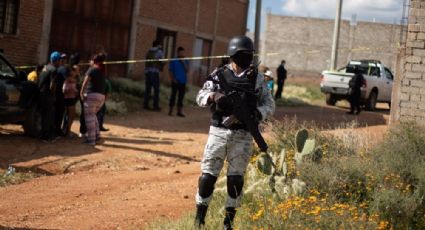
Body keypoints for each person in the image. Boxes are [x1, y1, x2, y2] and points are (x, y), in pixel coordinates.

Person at [194, 35, 275, 229]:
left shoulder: (257, 79)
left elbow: (269, 104)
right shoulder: (218, 74)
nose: (247, 58)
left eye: (250, 55)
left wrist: (257, 113)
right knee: (207, 176)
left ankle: (228, 223)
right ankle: (199, 219)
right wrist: (214, 96)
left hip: (243, 135)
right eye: (243, 54)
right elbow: (199, 96)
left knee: (236, 179)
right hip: (218, 132)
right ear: (233, 55)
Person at [80, 53, 106, 145]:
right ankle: (97, 135)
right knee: (93, 116)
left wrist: (81, 92)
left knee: (89, 118)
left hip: (91, 96)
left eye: (90, 60)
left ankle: (91, 140)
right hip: (101, 97)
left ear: (93, 61)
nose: (89, 62)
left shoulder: (92, 69)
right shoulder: (102, 70)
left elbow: (85, 82)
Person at [38, 51, 61, 143]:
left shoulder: (45, 67)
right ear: (56, 60)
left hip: (40, 94)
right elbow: (52, 85)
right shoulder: (53, 70)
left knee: (44, 115)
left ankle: (43, 134)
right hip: (48, 95)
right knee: (48, 116)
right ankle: (46, 137)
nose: (60, 62)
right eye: (59, 60)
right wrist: (54, 95)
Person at [168, 46, 189, 117]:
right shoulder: (174, 60)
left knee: (181, 97)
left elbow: (187, 70)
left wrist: (183, 63)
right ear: (177, 53)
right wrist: (173, 79)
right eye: (180, 52)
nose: (181, 54)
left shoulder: (186, 60)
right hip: (175, 81)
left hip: (183, 82)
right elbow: (170, 70)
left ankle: (179, 112)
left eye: (183, 52)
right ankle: (170, 110)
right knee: (173, 96)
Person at [143, 40, 164, 111]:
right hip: (154, 72)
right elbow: (162, 61)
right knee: (156, 90)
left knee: (148, 89)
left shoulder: (148, 51)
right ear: (158, 45)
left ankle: (145, 105)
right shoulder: (159, 52)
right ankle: (155, 106)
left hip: (147, 72)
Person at [54, 53, 69, 136]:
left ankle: (55, 128)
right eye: (62, 59)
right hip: (61, 94)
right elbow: (67, 78)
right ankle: (58, 130)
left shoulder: (58, 68)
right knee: (60, 112)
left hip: (56, 93)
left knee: (56, 112)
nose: (63, 60)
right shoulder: (64, 69)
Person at [62, 66, 79, 136]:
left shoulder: (74, 80)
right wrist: (73, 91)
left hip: (71, 98)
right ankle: (67, 131)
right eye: (74, 70)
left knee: (71, 115)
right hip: (69, 99)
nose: (76, 72)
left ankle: (67, 130)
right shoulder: (67, 80)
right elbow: (64, 90)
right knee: (71, 115)